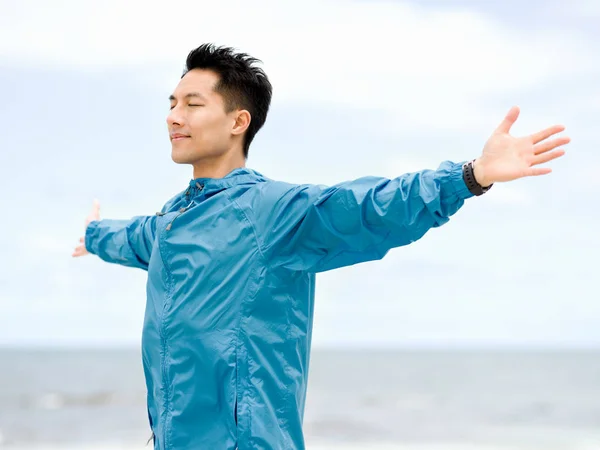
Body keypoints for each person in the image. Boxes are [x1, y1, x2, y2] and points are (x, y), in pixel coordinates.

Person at [72, 43, 569, 450]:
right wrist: (94, 236)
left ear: (237, 122)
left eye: (193, 104)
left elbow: (370, 208)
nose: (174, 117)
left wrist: (470, 176)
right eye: (172, 104)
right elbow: (131, 237)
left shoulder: (271, 211)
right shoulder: (172, 220)